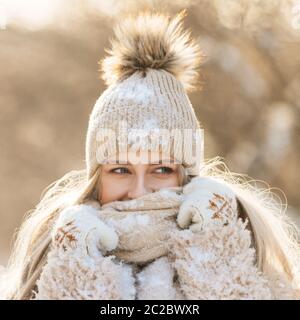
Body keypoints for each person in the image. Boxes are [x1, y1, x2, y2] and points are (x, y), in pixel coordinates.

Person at [1, 10, 299, 300]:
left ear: (188, 176)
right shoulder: (50, 263)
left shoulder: (251, 259)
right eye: (120, 170)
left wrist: (216, 259)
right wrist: (77, 276)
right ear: (97, 177)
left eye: (161, 170)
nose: (139, 192)